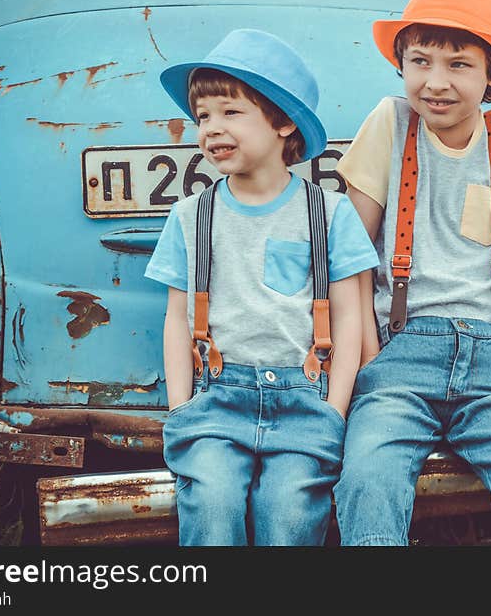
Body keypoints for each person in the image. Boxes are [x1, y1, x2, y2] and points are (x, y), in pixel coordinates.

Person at [333, 0, 491, 546]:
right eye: (420, 60)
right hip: (400, 358)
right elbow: (349, 253)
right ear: (402, 63)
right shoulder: (389, 124)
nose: (435, 81)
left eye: (458, 64)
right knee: (366, 477)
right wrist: (370, 355)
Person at [145, 29, 378, 546]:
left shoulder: (329, 213)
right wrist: (180, 407)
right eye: (203, 116)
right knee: (210, 502)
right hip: (216, 402)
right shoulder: (189, 218)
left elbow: (349, 319)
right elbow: (175, 318)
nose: (211, 128)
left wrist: (334, 410)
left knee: (291, 512)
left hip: (303, 401)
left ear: (282, 121)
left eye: (230, 112)